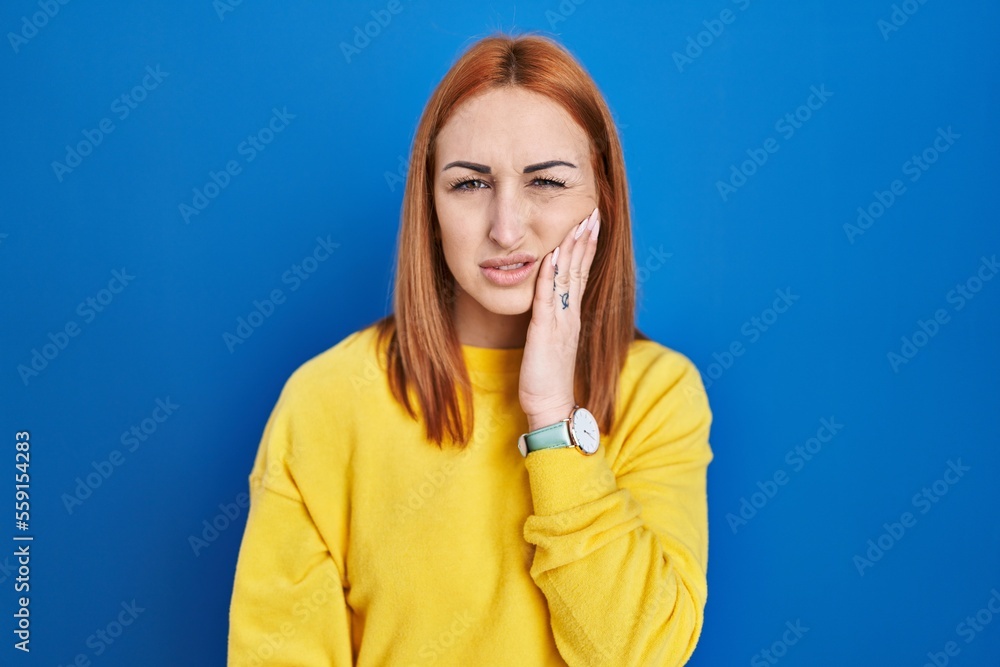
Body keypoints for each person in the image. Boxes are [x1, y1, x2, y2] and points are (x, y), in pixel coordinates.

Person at [228, 31, 713, 667]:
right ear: (429, 205)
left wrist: (551, 418)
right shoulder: (324, 401)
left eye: (545, 181)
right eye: (469, 184)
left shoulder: (660, 392)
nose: (507, 228)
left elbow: (640, 654)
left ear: (604, 202)